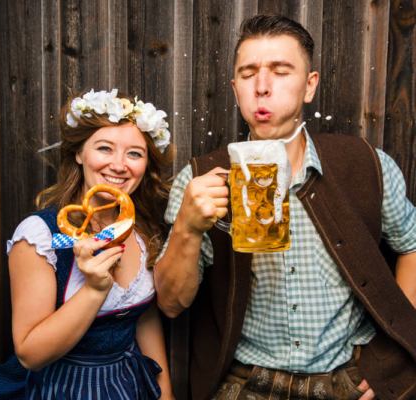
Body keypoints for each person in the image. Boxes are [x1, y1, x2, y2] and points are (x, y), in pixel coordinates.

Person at [154, 14, 416, 400]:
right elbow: (171, 305)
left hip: (346, 380)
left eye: (280, 71)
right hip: (244, 384)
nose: (262, 87)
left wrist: (394, 353)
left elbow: (411, 245)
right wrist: (187, 229)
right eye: (248, 73)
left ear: (309, 86)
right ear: (235, 88)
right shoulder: (198, 181)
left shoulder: (366, 166)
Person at [0, 89, 175, 399]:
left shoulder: (142, 230)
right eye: (105, 148)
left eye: (134, 153)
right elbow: (30, 355)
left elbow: (143, 317)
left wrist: (166, 394)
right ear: (79, 153)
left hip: (128, 384)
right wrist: (93, 289)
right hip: (59, 388)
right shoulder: (41, 236)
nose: (119, 165)